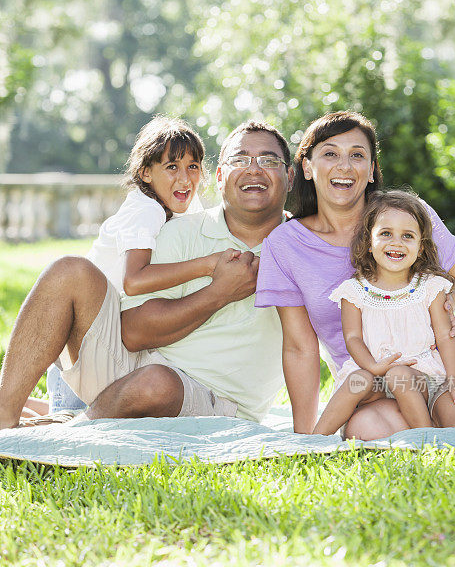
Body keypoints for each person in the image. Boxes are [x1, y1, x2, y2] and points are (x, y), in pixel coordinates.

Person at [0, 120, 293, 430]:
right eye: (239, 159)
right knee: (67, 270)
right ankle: (5, 418)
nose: (254, 169)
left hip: (215, 400)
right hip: (133, 366)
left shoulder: (304, 247)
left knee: (157, 383)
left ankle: (70, 429)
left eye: (268, 160)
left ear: (289, 177)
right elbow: (133, 333)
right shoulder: (176, 229)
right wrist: (219, 292)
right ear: (220, 177)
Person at [256, 111, 455, 438]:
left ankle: (451, 412)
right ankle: (429, 427)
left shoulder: (407, 217)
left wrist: (443, 307)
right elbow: (300, 348)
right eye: (330, 153)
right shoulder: (284, 246)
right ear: (307, 167)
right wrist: (303, 438)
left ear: (371, 170)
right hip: (372, 381)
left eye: (357, 155)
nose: (344, 166)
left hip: (448, 363)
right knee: (368, 430)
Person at [44, 115, 218, 415]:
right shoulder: (147, 209)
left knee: (66, 418)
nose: (186, 177)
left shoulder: (176, 206)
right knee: (64, 424)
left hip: (100, 353)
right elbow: (134, 280)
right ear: (145, 173)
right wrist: (208, 265)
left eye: (193, 167)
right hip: (79, 360)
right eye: (172, 166)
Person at [313, 190, 455, 435]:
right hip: (375, 374)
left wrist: (454, 378)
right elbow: (353, 339)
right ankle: (313, 441)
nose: (396, 243)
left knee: (399, 374)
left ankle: (426, 436)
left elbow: (445, 336)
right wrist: (374, 368)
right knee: (357, 382)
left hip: (419, 376)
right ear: (369, 242)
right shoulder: (353, 292)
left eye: (407, 236)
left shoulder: (430, 287)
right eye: (386, 233)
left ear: (421, 248)